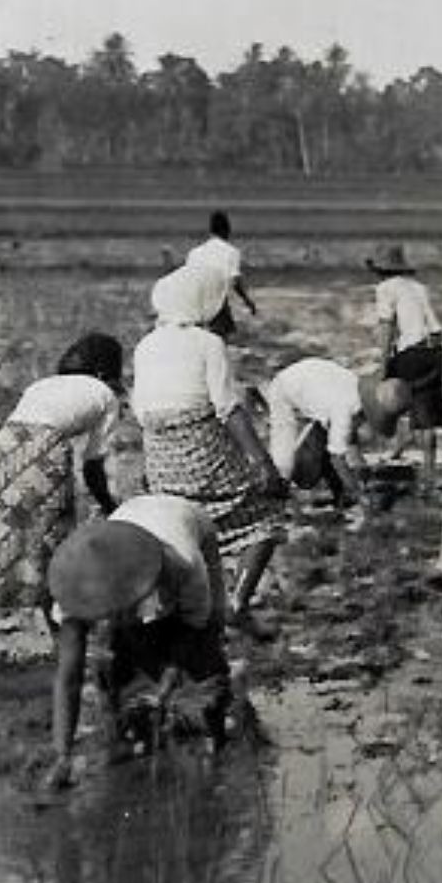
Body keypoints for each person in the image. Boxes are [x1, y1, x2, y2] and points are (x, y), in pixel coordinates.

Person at [42, 494, 233, 791]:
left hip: (185, 521)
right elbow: (69, 676)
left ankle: (216, 728)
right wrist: (62, 755)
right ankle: (123, 726)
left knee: (205, 650)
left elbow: (194, 627)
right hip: (128, 525)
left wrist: (169, 679)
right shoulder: (73, 588)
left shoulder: (183, 561)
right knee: (115, 654)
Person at [133, 271, 287, 639]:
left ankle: (180, 608)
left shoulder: (146, 345)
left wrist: (150, 467)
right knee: (265, 516)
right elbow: (227, 407)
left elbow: (141, 411)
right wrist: (262, 463)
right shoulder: (207, 342)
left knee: (182, 526)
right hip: (201, 448)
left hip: (160, 458)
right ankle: (236, 604)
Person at [0, 334, 126, 644]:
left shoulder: (41, 385)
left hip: (0, 450)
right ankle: (63, 638)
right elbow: (93, 468)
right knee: (50, 545)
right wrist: (113, 508)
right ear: (105, 371)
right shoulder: (105, 395)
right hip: (44, 456)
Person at [264, 357, 412, 507]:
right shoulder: (344, 408)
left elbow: (349, 436)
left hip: (311, 382)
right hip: (285, 389)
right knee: (286, 461)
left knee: (331, 446)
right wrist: (359, 495)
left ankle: (335, 489)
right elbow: (337, 457)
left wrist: (361, 466)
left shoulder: (355, 395)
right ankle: (278, 492)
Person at [367, 244, 442, 491]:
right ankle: (429, 471)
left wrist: (382, 363)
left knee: (394, 399)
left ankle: (398, 447)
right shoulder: (418, 287)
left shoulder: (385, 289)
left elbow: (387, 325)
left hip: (410, 351)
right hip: (434, 350)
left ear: (381, 270)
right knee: (426, 412)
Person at [185, 210, 258, 338]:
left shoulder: (194, 253)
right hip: (216, 302)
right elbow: (235, 282)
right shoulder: (231, 252)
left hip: (194, 302)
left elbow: (187, 279)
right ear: (227, 230)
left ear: (210, 231)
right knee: (221, 338)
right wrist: (247, 301)